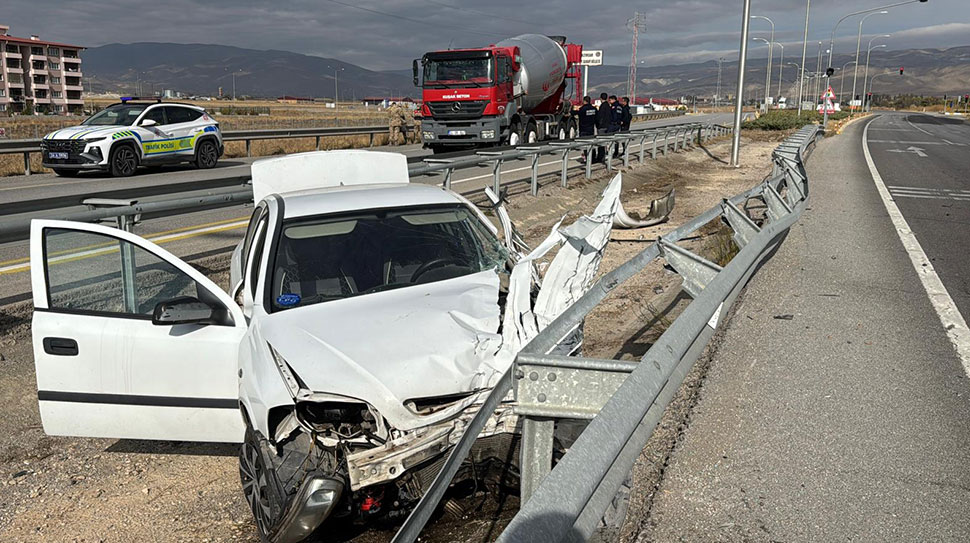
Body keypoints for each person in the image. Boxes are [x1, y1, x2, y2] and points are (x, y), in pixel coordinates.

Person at [575, 96, 597, 163]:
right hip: (591, 129)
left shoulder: (583, 109)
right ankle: (593, 158)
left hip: (583, 129)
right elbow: (597, 118)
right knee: (591, 144)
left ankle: (588, 159)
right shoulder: (594, 109)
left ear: (584, 101)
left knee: (585, 145)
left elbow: (577, 114)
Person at [595, 92, 612, 162]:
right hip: (607, 126)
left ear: (601, 98)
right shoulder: (608, 106)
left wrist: (598, 125)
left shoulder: (602, 106)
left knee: (601, 143)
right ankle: (604, 156)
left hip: (602, 127)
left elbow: (600, 117)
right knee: (605, 142)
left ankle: (601, 157)